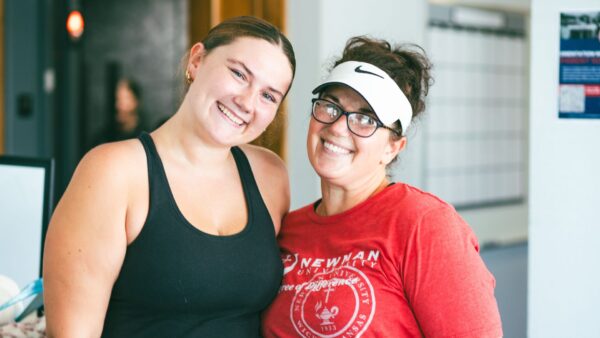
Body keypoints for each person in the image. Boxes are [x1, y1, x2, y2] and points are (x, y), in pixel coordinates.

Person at [43, 16, 295, 338]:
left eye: (269, 96)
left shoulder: (270, 175)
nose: (247, 102)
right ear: (197, 61)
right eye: (238, 74)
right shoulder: (113, 171)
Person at [262, 36, 503, 337]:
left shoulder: (424, 225)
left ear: (393, 146)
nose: (337, 127)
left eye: (365, 119)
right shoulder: (287, 228)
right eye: (330, 106)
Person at [93, 77, 146, 146]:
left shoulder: (144, 138)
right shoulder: (105, 137)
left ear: (135, 102)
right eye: (117, 99)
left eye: (123, 100)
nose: (118, 106)